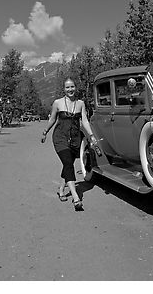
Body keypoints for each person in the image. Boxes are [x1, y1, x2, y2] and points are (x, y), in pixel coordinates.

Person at [41, 78, 98, 212]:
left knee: (68, 165)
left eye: (72, 87)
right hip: (60, 137)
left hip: (75, 139)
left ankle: (61, 190)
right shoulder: (57, 103)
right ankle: (76, 197)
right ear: (64, 89)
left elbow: (84, 121)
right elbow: (52, 119)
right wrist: (45, 132)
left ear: (75, 87)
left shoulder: (80, 104)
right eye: (67, 87)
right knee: (68, 164)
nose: (70, 90)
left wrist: (91, 136)